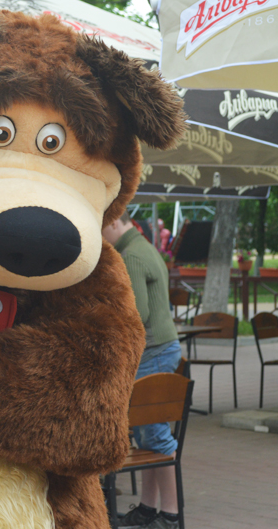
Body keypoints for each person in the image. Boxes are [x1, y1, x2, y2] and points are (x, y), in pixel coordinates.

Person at [103, 211, 182, 529]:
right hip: (163, 348)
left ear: (113, 222)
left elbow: (137, 314)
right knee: (150, 436)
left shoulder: (130, 256)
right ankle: (150, 510)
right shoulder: (145, 247)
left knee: (156, 436)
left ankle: (171, 515)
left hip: (152, 351)